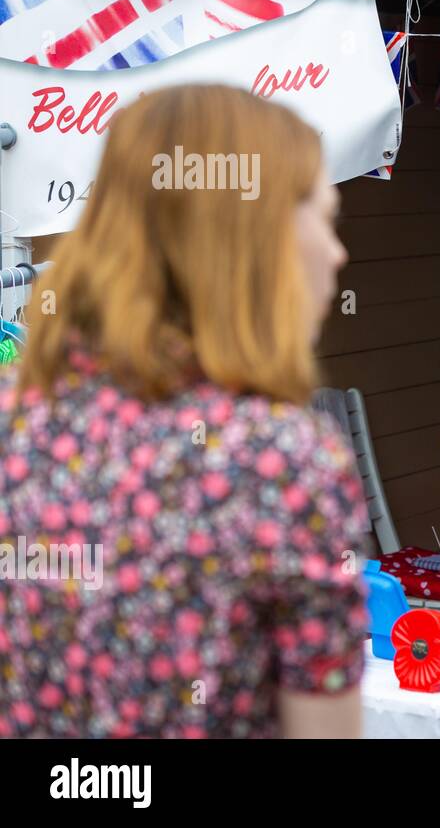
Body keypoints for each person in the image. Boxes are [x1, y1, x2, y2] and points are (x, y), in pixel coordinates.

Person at [0, 84, 368, 738]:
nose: (337, 252)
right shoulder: (279, 459)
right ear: (256, 236)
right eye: (323, 216)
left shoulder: (15, 423)